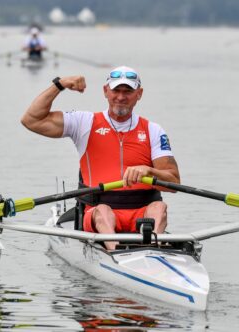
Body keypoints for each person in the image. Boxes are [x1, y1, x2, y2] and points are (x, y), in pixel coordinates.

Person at [21, 66, 180, 250]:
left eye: (128, 91)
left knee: (159, 208)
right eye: (116, 90)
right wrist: (60, 84)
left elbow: (174, 181)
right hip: (99, 213)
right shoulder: (84, 123)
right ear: (105, 91)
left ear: (139, 94)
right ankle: (116, 253)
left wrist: (149, 171)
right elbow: (31, 120)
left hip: (141, 214)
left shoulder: (153, 130)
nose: (121, 97)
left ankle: (152, 249)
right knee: (103, 212)